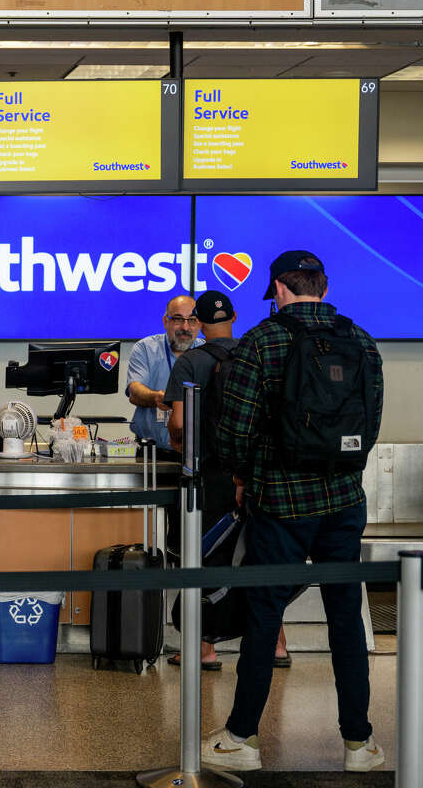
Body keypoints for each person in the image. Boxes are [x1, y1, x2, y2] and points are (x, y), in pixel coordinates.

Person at [202, 251, 384, 773]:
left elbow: (234, 432)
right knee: (346, 619)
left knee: (264, 617)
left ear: (280, 289)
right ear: (322, 287)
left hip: (279, 502)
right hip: (345, 502)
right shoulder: (362, 343)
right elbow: (368, 430)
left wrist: (242, 476)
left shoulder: (262, 342)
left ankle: (242, 739)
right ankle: (359, 745)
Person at [163, 291, 289, 672]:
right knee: (257, 557)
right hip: (256, 474)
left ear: (198, 323)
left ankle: (204, 649)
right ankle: (276, 644)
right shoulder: (256, 354)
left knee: (204, 558)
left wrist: (175, 435)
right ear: (234, 316)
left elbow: (181, 425)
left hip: (209, 477)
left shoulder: (191, 362)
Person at [126, 294, 201, 454]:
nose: (185, 327)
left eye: (192, 320)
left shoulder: (207, 352)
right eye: (178, 319)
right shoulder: (145, 348)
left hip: (199, 455)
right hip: (152, 453)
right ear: (166, 321)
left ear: (199, 323)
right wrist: (157, 397)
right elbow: (135, 391)